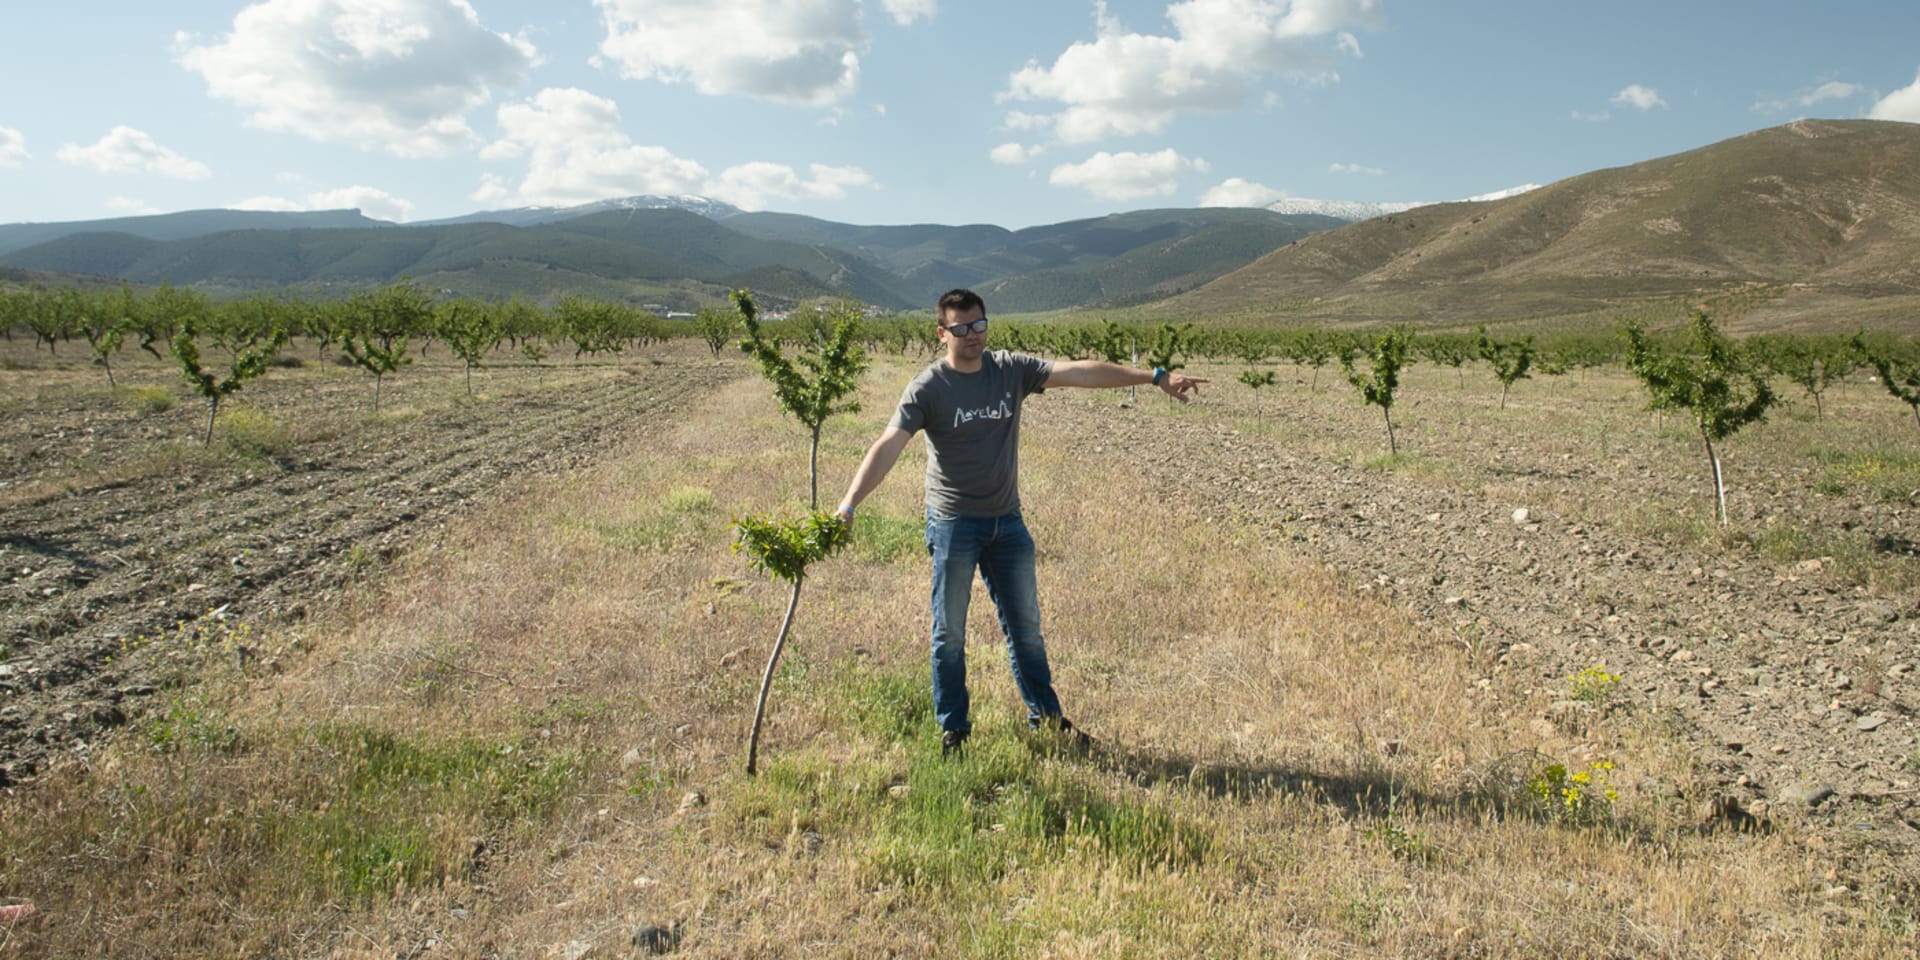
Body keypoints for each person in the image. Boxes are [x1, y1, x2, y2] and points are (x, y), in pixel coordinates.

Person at [833, 289, 1205, 755]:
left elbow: (1080, 370)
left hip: (1006, 522)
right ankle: (955, 729)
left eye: (979, 325)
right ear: (942, 333)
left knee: (1025, 628)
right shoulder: (928, 388)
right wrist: (849, 503)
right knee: (949, 631)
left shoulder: (1009, 370)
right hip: (953, 525)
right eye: (961, 328)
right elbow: (888, 444)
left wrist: (1154, 377)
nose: (973, 336)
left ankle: (1047, 721)